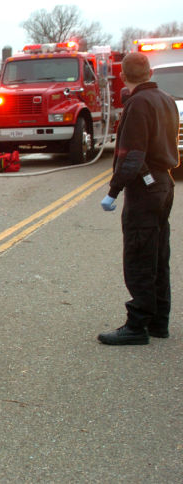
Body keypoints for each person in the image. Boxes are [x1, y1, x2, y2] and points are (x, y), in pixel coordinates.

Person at [97, 52, 180, 345]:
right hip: (164, 184)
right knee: (158, 254)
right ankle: (159, 321)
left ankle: (137, 326)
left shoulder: (138, 104)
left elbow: (132, 155)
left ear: (123, 75)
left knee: (139, 255)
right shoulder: (166, 99)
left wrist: (113, 191)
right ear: (150, 72)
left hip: (145, 189)